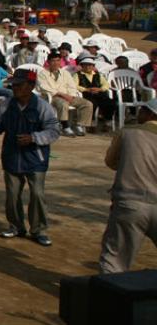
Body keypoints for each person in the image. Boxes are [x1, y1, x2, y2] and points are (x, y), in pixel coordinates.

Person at [0, 70, 61, 245]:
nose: (15, 88)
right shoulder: (5, 105)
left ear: (31, 86)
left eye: (19, 85)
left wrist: (34, 138)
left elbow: (54, 131)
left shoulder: (43, 107)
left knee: (37, 193)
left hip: (35, 157)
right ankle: (15, 226)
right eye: (13, 85)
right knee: (12, 194)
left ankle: (39, 230)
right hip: (11, 155)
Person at [99, 99, 157, 273]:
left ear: (150, 114)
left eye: (142, 111)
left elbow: (111, 162)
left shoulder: (128, 132)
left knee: (114, 262)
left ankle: (110, 299)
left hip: (130, 203)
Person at [37, 51, 93, 136]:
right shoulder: (42, 74)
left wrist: (71, 95)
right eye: (53, 61)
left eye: (58, 60)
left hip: (67, 96)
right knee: (62, 103)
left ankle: (79, 125)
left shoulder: (65, 73)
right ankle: (65, 126)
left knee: (87, 104)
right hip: (52, 97)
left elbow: (72, 86)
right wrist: (62, 94)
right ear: (48, 62)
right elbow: (44, 88)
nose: (56, 63)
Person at [76, 57, 115, 131]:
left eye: (90, 65)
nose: (88, 67)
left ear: (93, 66)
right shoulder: (77, 75)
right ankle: (91, 123)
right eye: (86, 65)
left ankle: (107, 122)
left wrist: (100, 89)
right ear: (82, 66)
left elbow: (106, 85)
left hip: (99, 94)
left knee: (110, 102)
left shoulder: (98, 75)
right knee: (92, 104)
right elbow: (74, 85)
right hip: (86, 94)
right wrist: (86, 89)